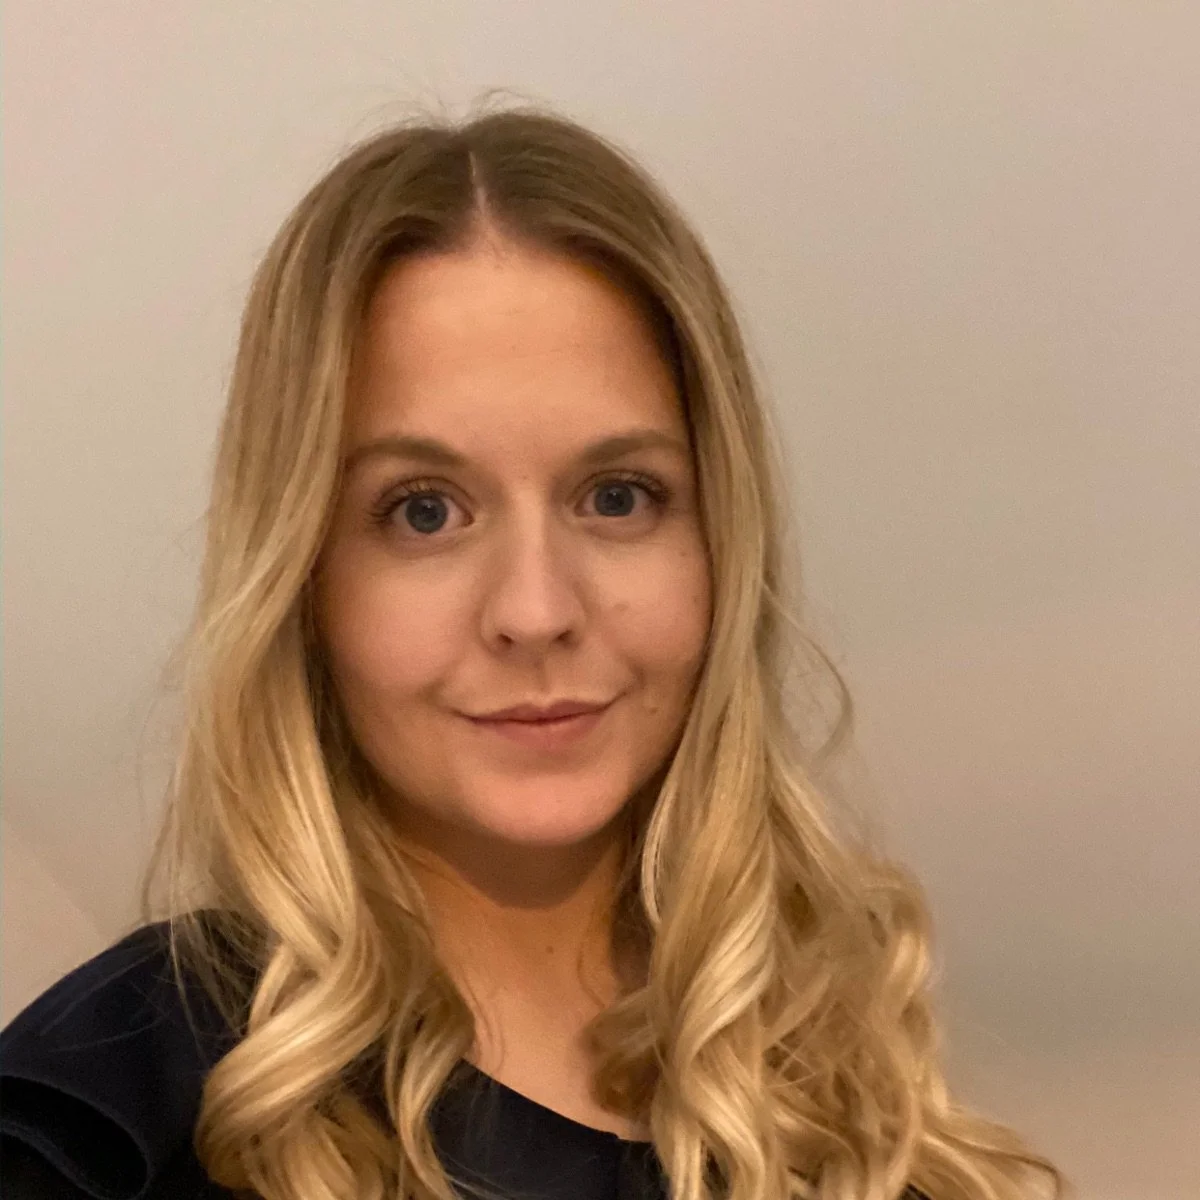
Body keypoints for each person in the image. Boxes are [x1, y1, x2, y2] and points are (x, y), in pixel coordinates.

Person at [0, 104, 1068, 1200]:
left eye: (617, 497)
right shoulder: (119, 1108)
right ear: (305, 576)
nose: (536, 608)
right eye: (423, 511)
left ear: (720, 543)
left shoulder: (846, 1091)